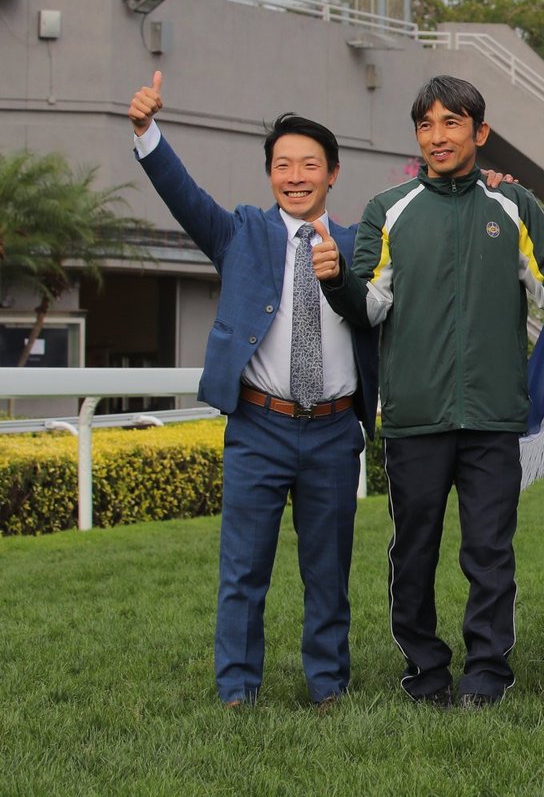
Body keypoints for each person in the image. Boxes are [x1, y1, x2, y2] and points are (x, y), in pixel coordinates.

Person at [316, 75, 544, 708]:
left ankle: (486, 672)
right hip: (413, 419)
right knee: (414, 551)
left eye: (452, 123)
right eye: (426, 125)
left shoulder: (515, 205)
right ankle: (424, 671)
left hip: (493, 417)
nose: (438, 136)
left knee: (489, 552)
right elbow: (368, 305)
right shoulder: (388, 209)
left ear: (479, 132)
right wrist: (339, 278)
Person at [127, 71, 378, 709]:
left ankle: (328, 686)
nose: (296, 176)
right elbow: (184, 197)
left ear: (334, 173)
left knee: (328, 572)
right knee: (243, 571)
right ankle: (238, 689)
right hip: (258, 429)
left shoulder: (360, 247)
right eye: (283, 165)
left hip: (332, 430)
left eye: (310, 165)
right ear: (270, 174)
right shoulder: (240, 232)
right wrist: (147, 132)